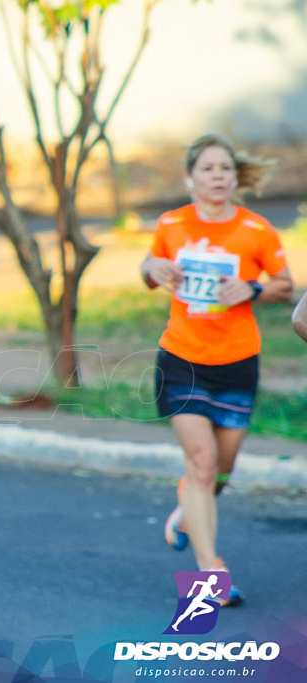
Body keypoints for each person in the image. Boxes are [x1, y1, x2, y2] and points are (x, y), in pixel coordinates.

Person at [140, 133, 292, 606]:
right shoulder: (172, 223)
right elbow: (151, 266)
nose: (218, 176)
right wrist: (153, 267)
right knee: (202, 462)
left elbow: (285, 287)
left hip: (237, 362)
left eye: (224, 168)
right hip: (181, 358)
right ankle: (212, 573)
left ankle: (188, 509)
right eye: (207, 169)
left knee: (221, 471)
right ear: (190, 178)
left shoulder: (257, 230)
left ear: (234, 176)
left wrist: (251, 288)